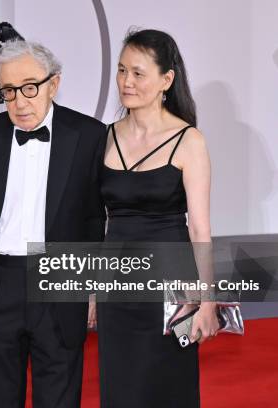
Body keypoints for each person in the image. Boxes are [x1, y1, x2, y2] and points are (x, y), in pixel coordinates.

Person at [0, 40, 106, 408]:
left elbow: (94, 217)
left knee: (59, 398)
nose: (19, 102)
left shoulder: (89, 135)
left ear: (54, 83)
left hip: (60, 277)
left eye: (30, 88)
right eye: (8, 91)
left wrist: (92, 286)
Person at [96, 28, 219, 407]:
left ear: (167, 79)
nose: (126, 82)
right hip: (116, 286)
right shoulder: (104, 136)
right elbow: (95, 220)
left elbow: (199, 228)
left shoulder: (189, 140)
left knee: (168, 387)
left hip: (171, 286)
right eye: (121, 71)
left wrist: (207, 300)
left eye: (137, 73)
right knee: (121, 388)